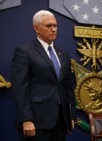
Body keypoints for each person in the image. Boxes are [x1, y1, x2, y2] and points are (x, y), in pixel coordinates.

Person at [10, 10, 76, 141]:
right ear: (36, 28)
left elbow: (69, 88)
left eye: (55, 26)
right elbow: (20, 88)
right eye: (48, 26)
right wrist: (26, 119)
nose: (53, 29)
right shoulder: (24, 51)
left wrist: (70, 116)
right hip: (36, 122)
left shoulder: (63, 54)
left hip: (60, 121)